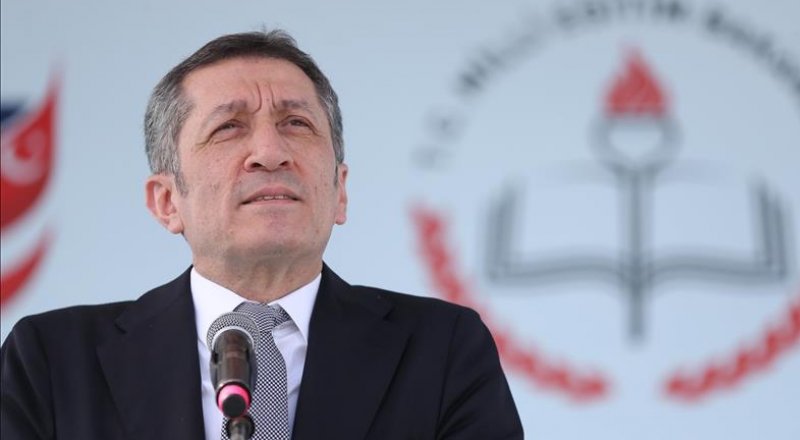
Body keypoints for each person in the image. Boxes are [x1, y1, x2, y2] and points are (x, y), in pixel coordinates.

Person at [0, 29, 523, 440]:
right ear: (167, 201)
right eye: (228, 127)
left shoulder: (441, 349)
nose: (270, 153)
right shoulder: (52, 360)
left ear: (340, 191)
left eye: (297, 124)